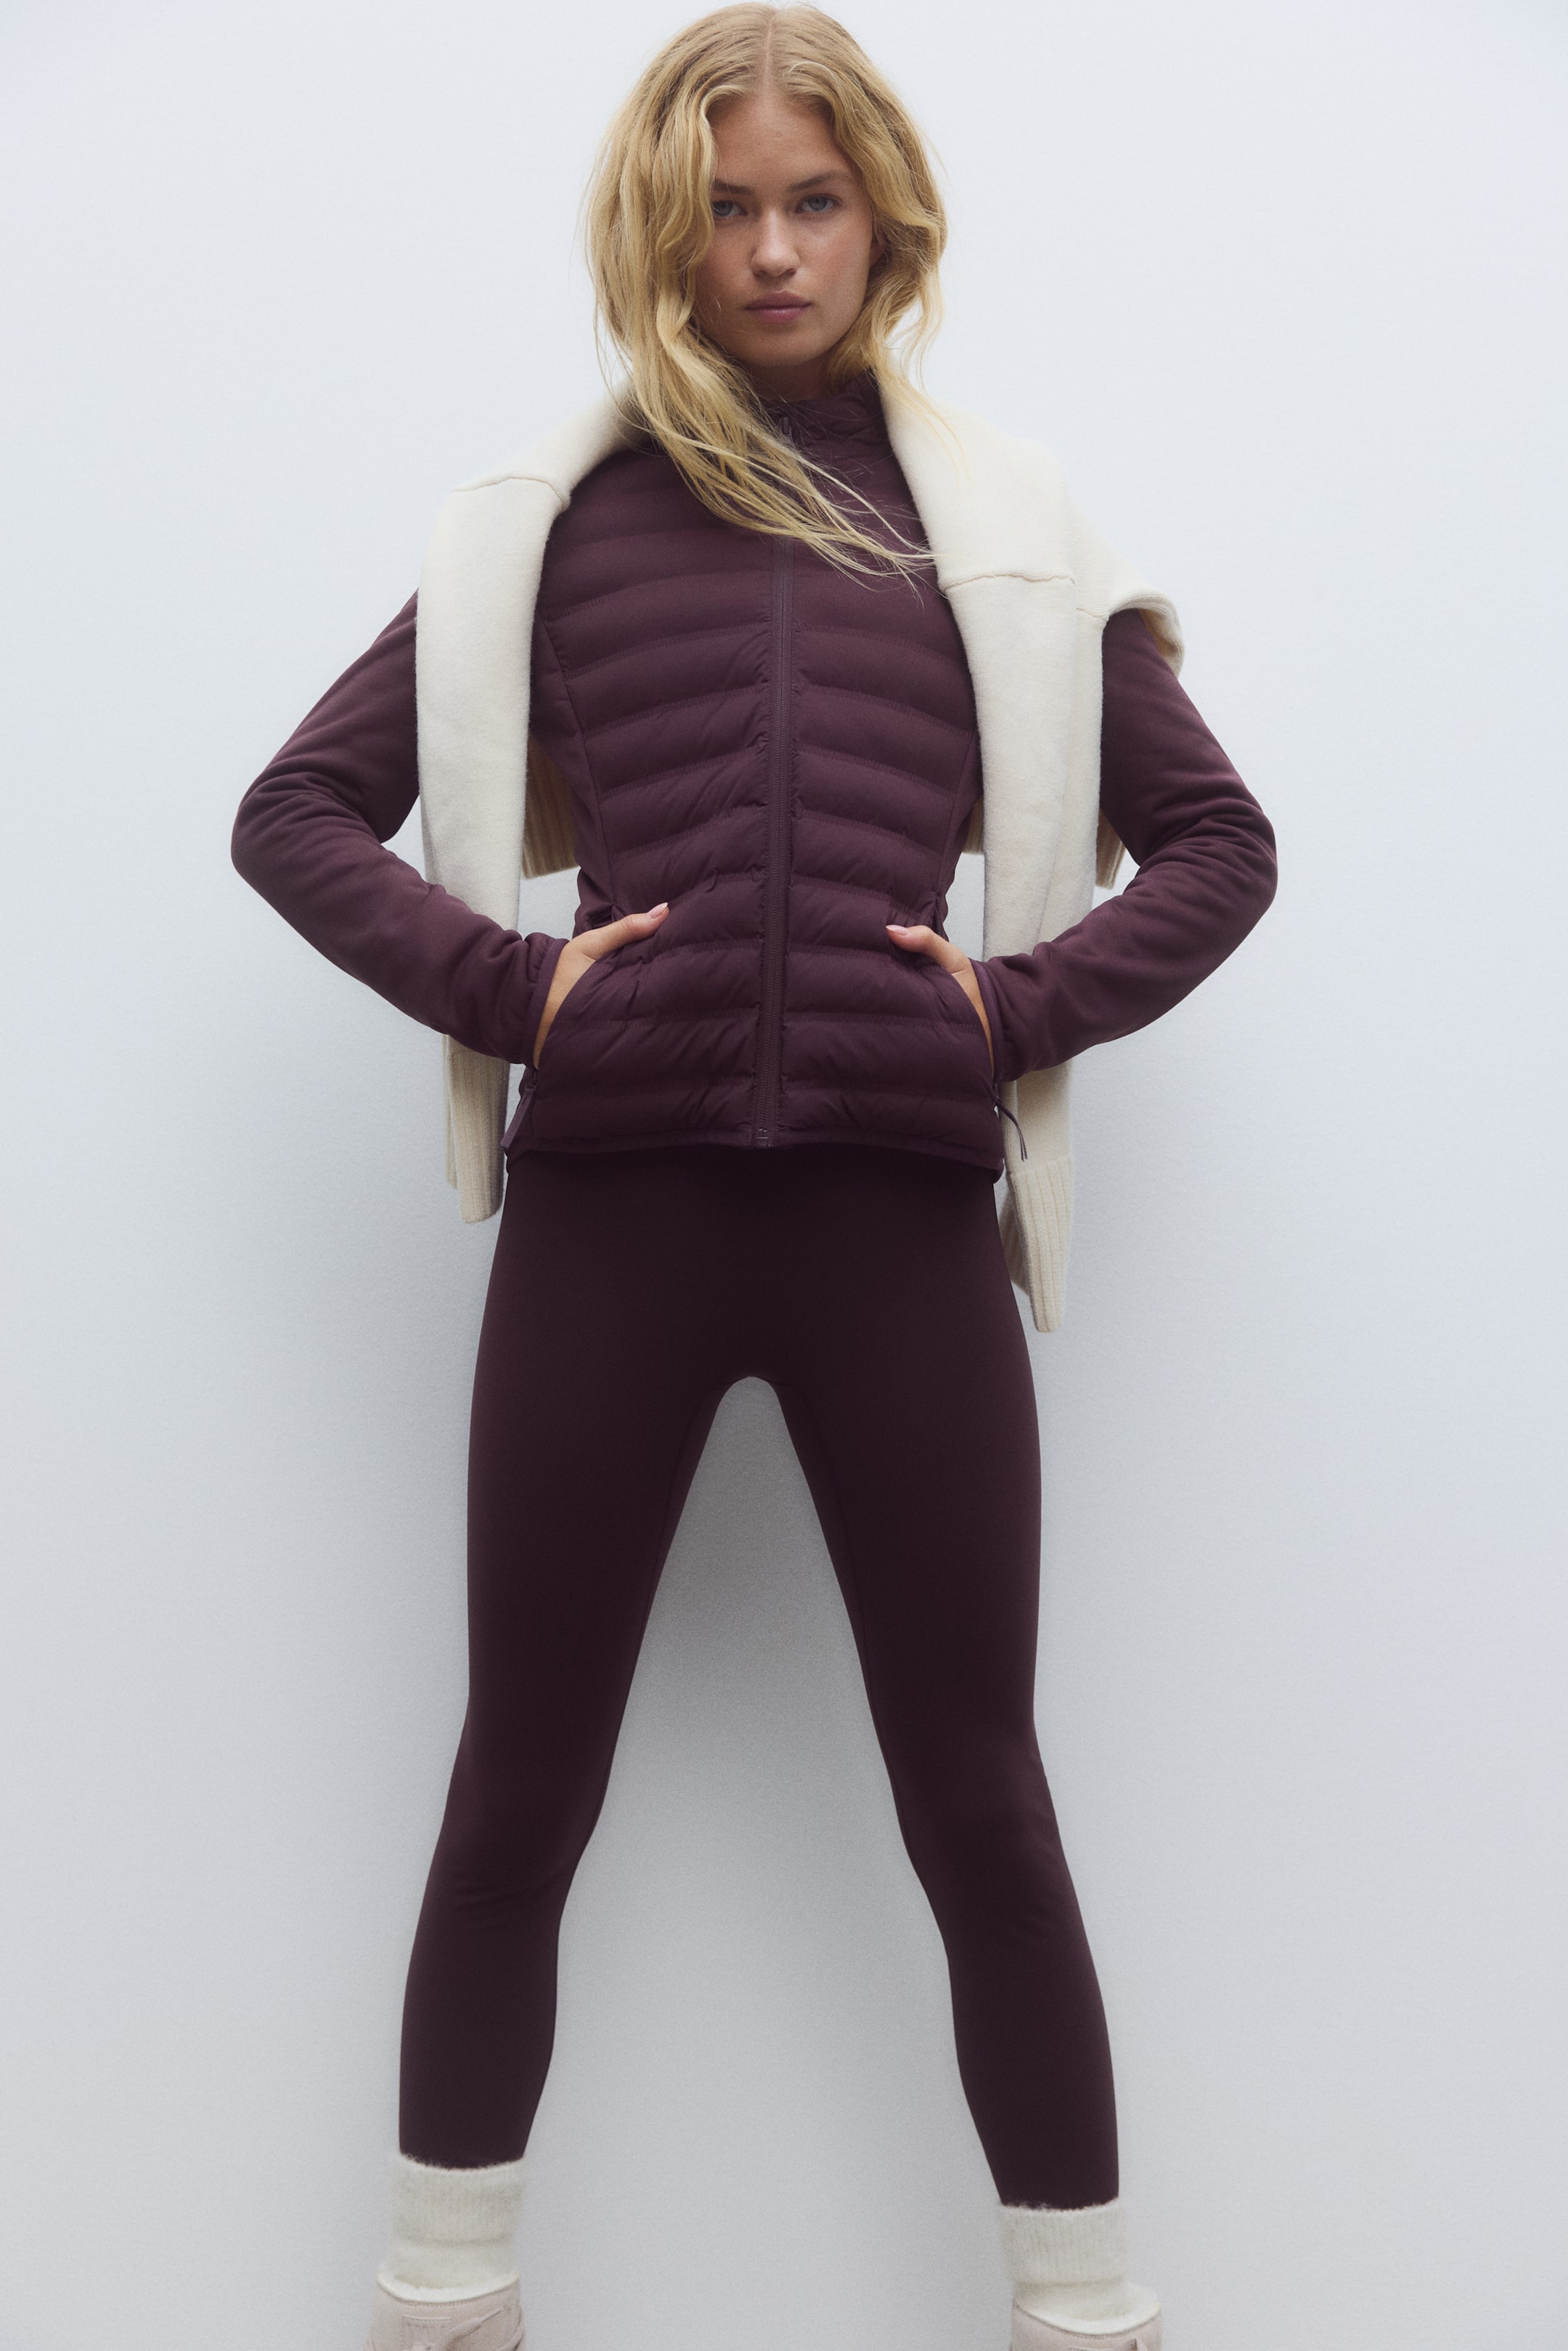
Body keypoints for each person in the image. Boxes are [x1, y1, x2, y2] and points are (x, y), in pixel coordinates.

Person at [232, 8, 1276, 2347]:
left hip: (900, 1231)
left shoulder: (1005, 532)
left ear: (884, 220)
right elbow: (291, 813)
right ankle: (443, 2304)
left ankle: (1086, 2314)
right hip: (615, 1223)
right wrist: (516, 990)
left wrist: (1008, 1010)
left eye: (816, 202)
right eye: (728, 208)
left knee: (981, 1804)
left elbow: (1220, 842)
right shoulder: (547, 533)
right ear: (663, 229)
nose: (776, 248)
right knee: (521, 1790)